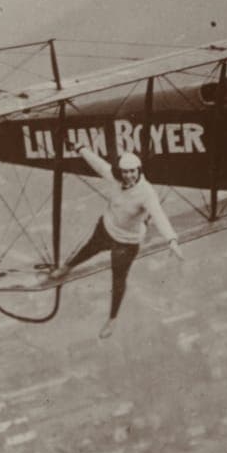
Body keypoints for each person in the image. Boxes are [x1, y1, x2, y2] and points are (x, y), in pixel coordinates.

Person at [48, 143, 183, 338]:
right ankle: (67, 267)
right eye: (125, 171)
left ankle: (112, 319)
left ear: (139, 170)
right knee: (87, 250)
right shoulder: (114, 177)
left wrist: (172, 240)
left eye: (132, 171)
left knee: (118, 279)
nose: (128, 175)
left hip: (127, 241)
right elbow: (97, 163)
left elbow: (159, 215)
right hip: (107, 227)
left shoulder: (146, 192)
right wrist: (80, 148)